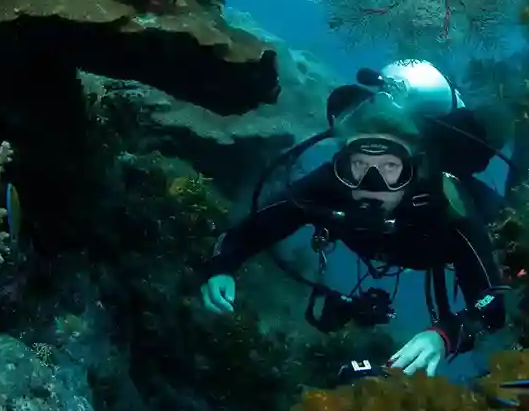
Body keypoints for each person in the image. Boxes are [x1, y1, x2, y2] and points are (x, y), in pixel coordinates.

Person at [198, 61, 508, 376]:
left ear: (414, 169)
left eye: (390, 168)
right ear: (341, 165)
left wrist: (445, 336)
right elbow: (250, 232)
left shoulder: (446, 201)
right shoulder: (328, 185)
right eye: (358, 166)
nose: (371, 186)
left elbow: (493, 305)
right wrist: (222, 266)